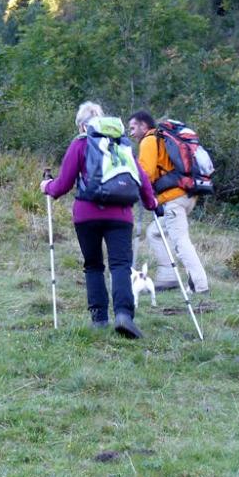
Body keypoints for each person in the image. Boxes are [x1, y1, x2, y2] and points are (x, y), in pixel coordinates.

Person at [41, 102, 157, 338]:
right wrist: (152, 203)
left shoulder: (80, 143)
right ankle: (124, 315)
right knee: (121, 266)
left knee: (93, 265)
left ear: (83, 125)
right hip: (121, 215)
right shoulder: (121, 144)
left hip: (87, 215)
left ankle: (99, 320)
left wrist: (47, 186)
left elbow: (62, 185)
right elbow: (142, 179)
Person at [127, 110, 210, 295]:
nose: (131, 133)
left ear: (143, 125)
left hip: (173, 198)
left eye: (133, 128)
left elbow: (145, 173)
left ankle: (200, 285)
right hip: (186, 195)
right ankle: (168, 276)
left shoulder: (149, 140)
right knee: (155, 233)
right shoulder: (162, 139)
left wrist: (132, 185)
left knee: (181, 241)